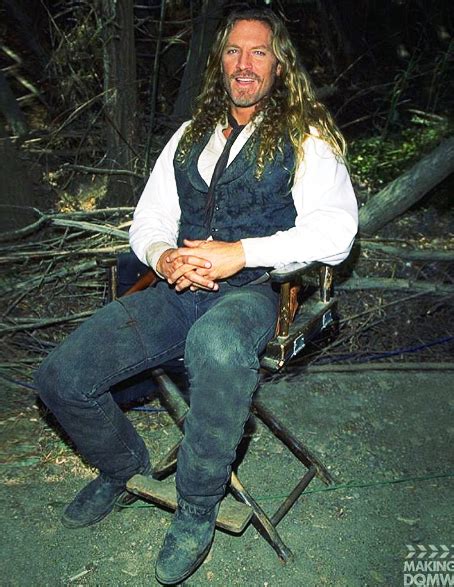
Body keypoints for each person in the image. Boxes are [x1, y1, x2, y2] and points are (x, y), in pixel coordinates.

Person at [36, 8, 358, 585]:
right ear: (220, 61)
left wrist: (240, 253)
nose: (244, 64)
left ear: (279, 64)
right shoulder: (191, 136)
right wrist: (163, 255)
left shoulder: (305, 140)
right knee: (60, 377)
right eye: (234, 51)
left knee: (215, 345)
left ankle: (196, 507)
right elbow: (149, 218)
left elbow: (336, 233)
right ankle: (122, 467)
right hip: (178, 287)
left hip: (255, 291)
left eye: (259, 52)